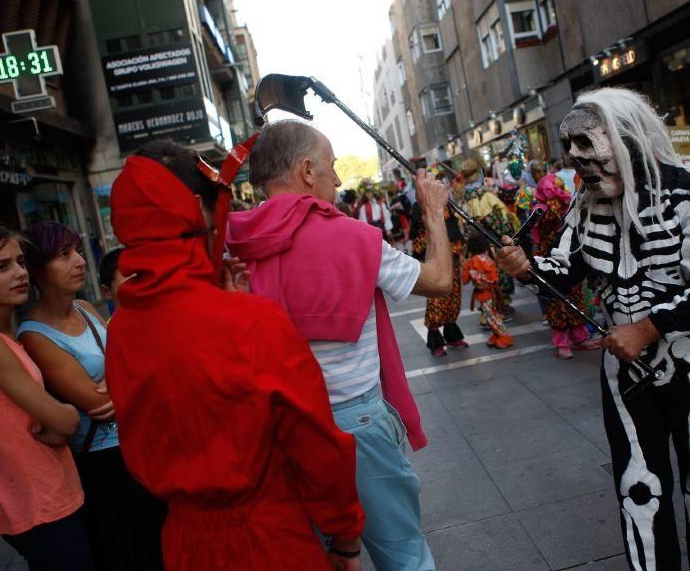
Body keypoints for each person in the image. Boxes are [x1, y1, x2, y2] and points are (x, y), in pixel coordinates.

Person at [496, 88, 690, 571]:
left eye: (587, 144)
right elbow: (563, 267)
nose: (576, 159)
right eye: (570, 147)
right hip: (625, 374)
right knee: (637, 489)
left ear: (626, 136)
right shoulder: (585, 204)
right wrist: (526, 267)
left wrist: (649, 328)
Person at [105, 139, 365, 571]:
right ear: (198, 212)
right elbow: (317, 447)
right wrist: (347, 540)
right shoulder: (253, 323)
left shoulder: (121, 331)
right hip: (270, 541)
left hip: (183, 545)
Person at [226, 120, 448, 571]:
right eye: (331, 165)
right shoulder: (352, 238)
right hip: (355, 420)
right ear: (307, 170)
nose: (339, 178)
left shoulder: (232, 245)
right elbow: (440, 281)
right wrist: (435, 214)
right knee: (402, 554)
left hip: (276, 428)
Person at [16, 222, 165, 571]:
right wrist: (129, 379)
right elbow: (98, 403)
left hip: (138, 445)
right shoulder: (34, 335)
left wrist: (124, 381)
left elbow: (133, 361)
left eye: (79, 252)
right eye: (64, 255)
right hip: (104, 464)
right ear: (37, 270)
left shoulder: (84, 306)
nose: (79, 262)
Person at [0, 225, 91, 571]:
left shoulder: (9, 336)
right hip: (35, 504)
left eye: (19, 262)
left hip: (52, 493)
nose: (19, 273)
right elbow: (68, 420)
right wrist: (64, 417)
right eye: (1, 267)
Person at [531, 174, 600, 359]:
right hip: (550, 259)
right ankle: (561, 342)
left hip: (570, 257)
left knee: (575, 296)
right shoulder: (541, 209)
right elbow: (547, 223)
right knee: (556, 300)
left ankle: (580, 337)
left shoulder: (569, 203)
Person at [410, 194, 468, 357]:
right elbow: (419, 241)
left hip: (453, 265)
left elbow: (456, 235)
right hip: (434, 265)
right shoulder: (420, 209)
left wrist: (458, 252)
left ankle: (452, 334)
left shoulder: (447, 207)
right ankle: (435, 340)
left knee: (454, 299)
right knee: (436, 302)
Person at [459, 158, 516, 315]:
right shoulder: (485, 196)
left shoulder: (465, 199)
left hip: (477, 249)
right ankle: (500, 307)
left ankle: (488, 311)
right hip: (493, 246)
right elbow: (500, 223)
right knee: (496, 276)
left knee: (482, 280)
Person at [462, 231, 514, 350]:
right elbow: (494, 276)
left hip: (485, 293)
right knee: (491, 314)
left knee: (491, 316)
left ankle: (504, 336)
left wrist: (467, 268)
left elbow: (465, 280)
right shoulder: (486, 258)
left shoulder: (473, 261)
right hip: (492, 292)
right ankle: (497, 335)